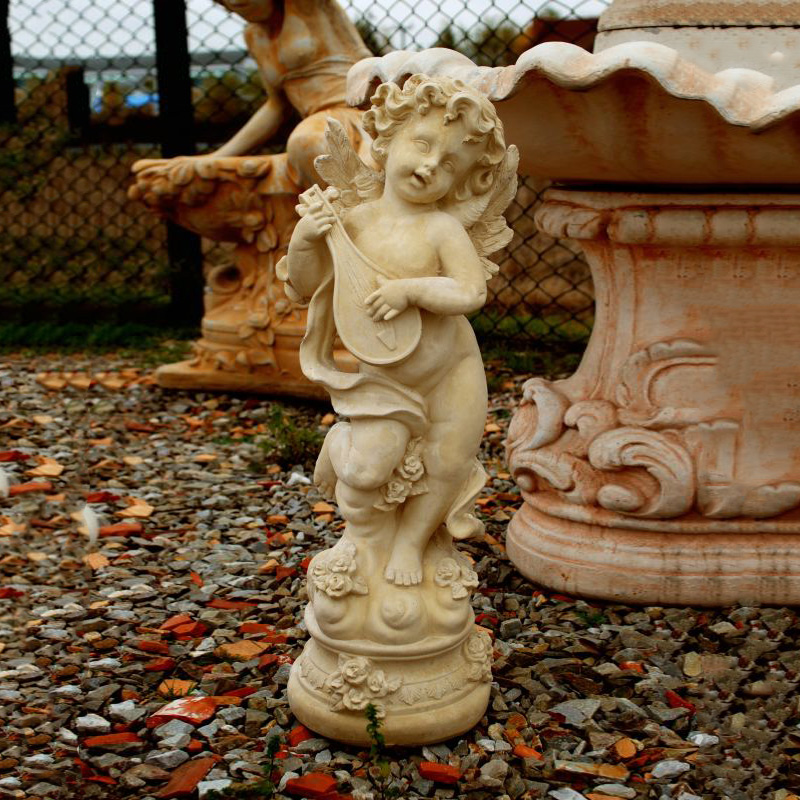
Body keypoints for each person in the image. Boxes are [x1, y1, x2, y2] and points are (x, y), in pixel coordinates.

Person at [281, 75, 516, 587]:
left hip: (452, 370)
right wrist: (304, 241)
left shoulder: (442, 228)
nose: (431, 166)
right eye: (423, 145)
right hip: (384, 373)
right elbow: (305, 287)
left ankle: (411, 542)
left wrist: (411, 290)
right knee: (367, 471)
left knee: (448, 461)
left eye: (450, 164)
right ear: (386, 142)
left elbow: (470, 292)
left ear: (460, 181)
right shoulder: (355, 221)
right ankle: (345, 474)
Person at [211, 0, 372, 187]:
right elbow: (276, 106)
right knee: (308, 142)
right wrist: (219, 156)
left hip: (358, 109)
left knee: (309, 142)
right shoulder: (253, 36)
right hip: (319, 122)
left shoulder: (305, 6)